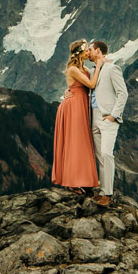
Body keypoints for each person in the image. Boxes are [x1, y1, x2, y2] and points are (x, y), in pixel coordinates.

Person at [50, 39, 101, 194]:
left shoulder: (82, 67)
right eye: (86, 50)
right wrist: (98, 66)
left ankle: (82, 179)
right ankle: (72, 181)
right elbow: (91, 84)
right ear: (79, 53)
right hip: (73, 107)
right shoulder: (73, 69)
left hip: (80, 105)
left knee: (82, 141)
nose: (88, 53)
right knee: (75, 141)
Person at [87, 39, 128, 206]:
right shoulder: (92, 71)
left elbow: (123, 93)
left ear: (98, 51)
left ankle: (108, 194)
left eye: (90, 49)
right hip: (94, 117)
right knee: (100, 157)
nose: (88, 52)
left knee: (106, 154)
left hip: (107, 117)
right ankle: (102, 191)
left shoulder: (112, 69)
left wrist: (113, 115)